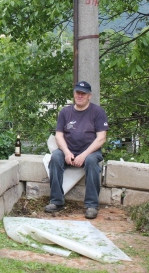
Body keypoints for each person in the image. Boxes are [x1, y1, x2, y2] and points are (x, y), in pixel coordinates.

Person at [44, 81, 109, 219]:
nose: (80, 96)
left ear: (89, 96)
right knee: (55, 157)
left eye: (83, 94)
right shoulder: (65, 112)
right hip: (69, 150)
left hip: (90, 152)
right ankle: (56, 201)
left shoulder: (98, 112)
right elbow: (59, 135)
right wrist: (67, 152)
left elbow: (101, 138)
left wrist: (84, 155)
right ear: (74, 94)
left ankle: (91, 205)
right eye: (77, 93)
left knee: (92, 162)